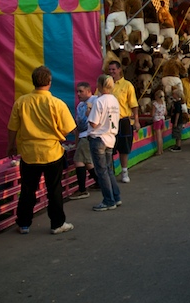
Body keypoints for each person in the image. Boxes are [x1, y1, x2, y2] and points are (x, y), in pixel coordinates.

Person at [8, 66, 76, 235]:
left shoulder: (21, 102)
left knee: (27, 190)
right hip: (52, 152)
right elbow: (68, 128)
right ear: (49, 82)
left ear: (33, 81)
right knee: (54, 190)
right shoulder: (57, 103)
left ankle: (23, 224)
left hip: (29, 153)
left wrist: (11, 145)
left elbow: (12, 128)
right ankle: (57, 224)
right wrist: (58, 133)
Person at [88, 74, 122, 211]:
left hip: (98, 138)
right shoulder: (114, 100)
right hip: (110, 137)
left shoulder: (99, 101)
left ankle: (108, 200)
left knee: (101, 171)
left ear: (100, 86)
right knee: (108, 170)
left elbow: (94, 123)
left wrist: (88, 113)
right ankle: (116, 196)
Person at [108, 60, 139, 183]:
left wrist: (136, 121)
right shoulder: (106, 84)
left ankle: (124, 171)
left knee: (124, 148)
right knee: (109, 148)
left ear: (119, 69)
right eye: (109, 70)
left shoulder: (127, 85)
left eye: (113, 70)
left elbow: (134, 105)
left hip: (124, 121)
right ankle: (110, 173)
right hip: (109, 122)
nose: (111, 72)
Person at [69, 81, 99, 200]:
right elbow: (78, 124)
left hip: (90, 134)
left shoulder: (95, 101)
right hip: (82, 135)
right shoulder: (80, 105)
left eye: (81, 91)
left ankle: (82, 189)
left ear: (88, 91)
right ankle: (99, 182)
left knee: (78, 161)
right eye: (77, 91)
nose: (78, 94)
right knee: (87, 162)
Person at [169, 87, 185, 152]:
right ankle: (176, 145)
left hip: (178, 121)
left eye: (174, 94)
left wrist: (175, 122)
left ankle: (178, 146)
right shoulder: (176, 103)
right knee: (176, 134)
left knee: (178, 134)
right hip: (177, 121)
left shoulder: (178, 103)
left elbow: (178, 113)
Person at [151, 89, 166, 155]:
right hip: (162, 119)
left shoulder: (155, 104)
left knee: (158, 137)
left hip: (157, 120)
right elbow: (165, 113)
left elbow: (152, 114)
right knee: (161, 137)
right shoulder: (163, 103)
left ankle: (159, 151)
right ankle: (161, 150)